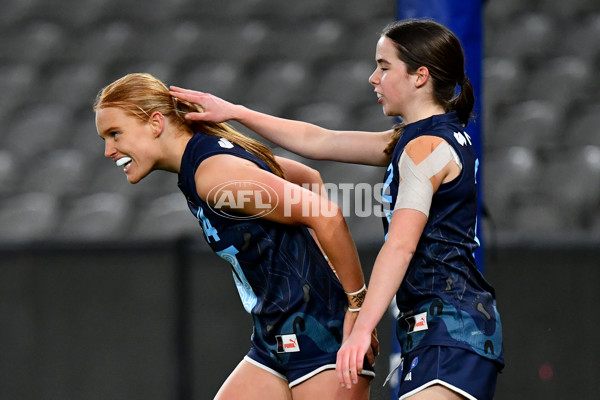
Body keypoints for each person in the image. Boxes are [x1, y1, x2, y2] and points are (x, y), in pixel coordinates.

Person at [170, 19, 504, 400]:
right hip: (440, 331)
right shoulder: (421, 137)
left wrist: (361, 324)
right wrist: (236, 112)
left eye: (383, 66)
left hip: (451, 330)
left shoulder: (422, 148)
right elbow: (320, 140)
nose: (372, 78)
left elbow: (400, 246)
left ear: (420, 76)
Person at [93, 72, 378, 400]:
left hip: (318, 335)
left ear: (156, 123)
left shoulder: (214, 177)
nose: (108, 150)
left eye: (115, 134)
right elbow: (307, 176)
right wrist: (318, 267)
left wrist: (356, 307)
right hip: (273, 338)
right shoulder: (202, 160)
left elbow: (325, 215)